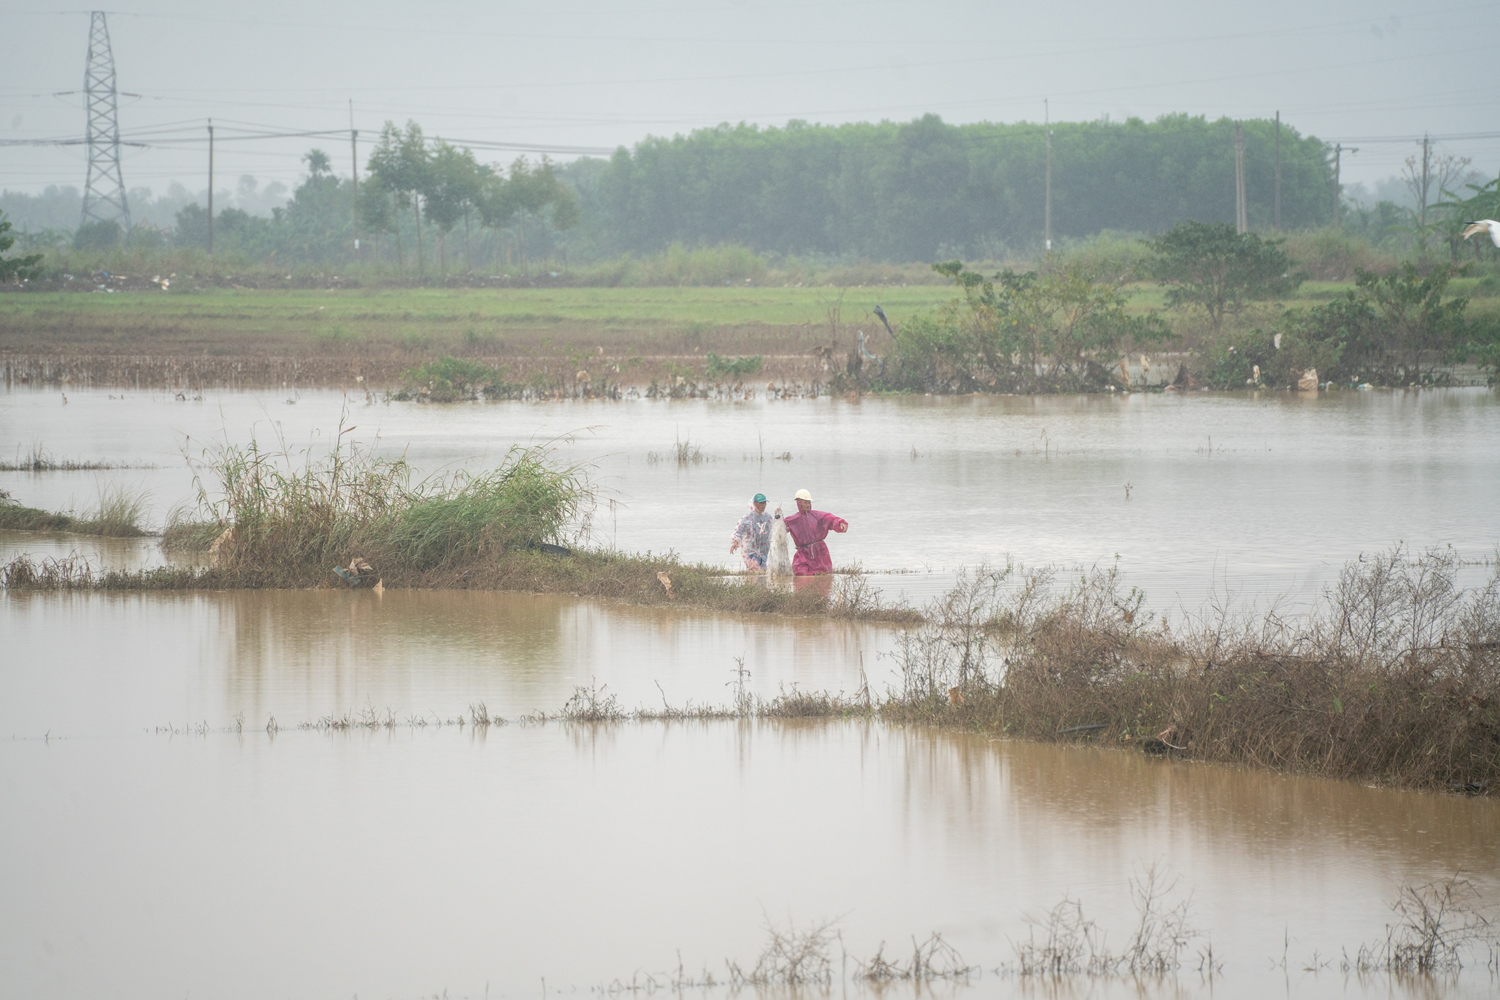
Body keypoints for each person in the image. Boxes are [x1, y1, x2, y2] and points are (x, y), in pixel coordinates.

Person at [783, 488, 848, 576]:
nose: (807, 505)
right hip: (803, 552)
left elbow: (831, 519)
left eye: (809, 502)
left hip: (820, 551)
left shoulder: (818, 516)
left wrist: (840, 523)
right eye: (805, 502)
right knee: (801, 574)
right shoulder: (793, 519)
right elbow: (779, 528)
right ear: (799, 503)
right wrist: (778, 519)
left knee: (824, 575)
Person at [729, 493, 774, 570]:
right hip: (751, 551)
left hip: (764, 551)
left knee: (762, 572)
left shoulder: (768, 517)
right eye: (760, 503)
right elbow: (739, 531)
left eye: (764, 503)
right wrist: (735, 542)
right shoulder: (747, 518)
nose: (763, 505)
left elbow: (774, 529)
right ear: (754, 503)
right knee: (754, 570)